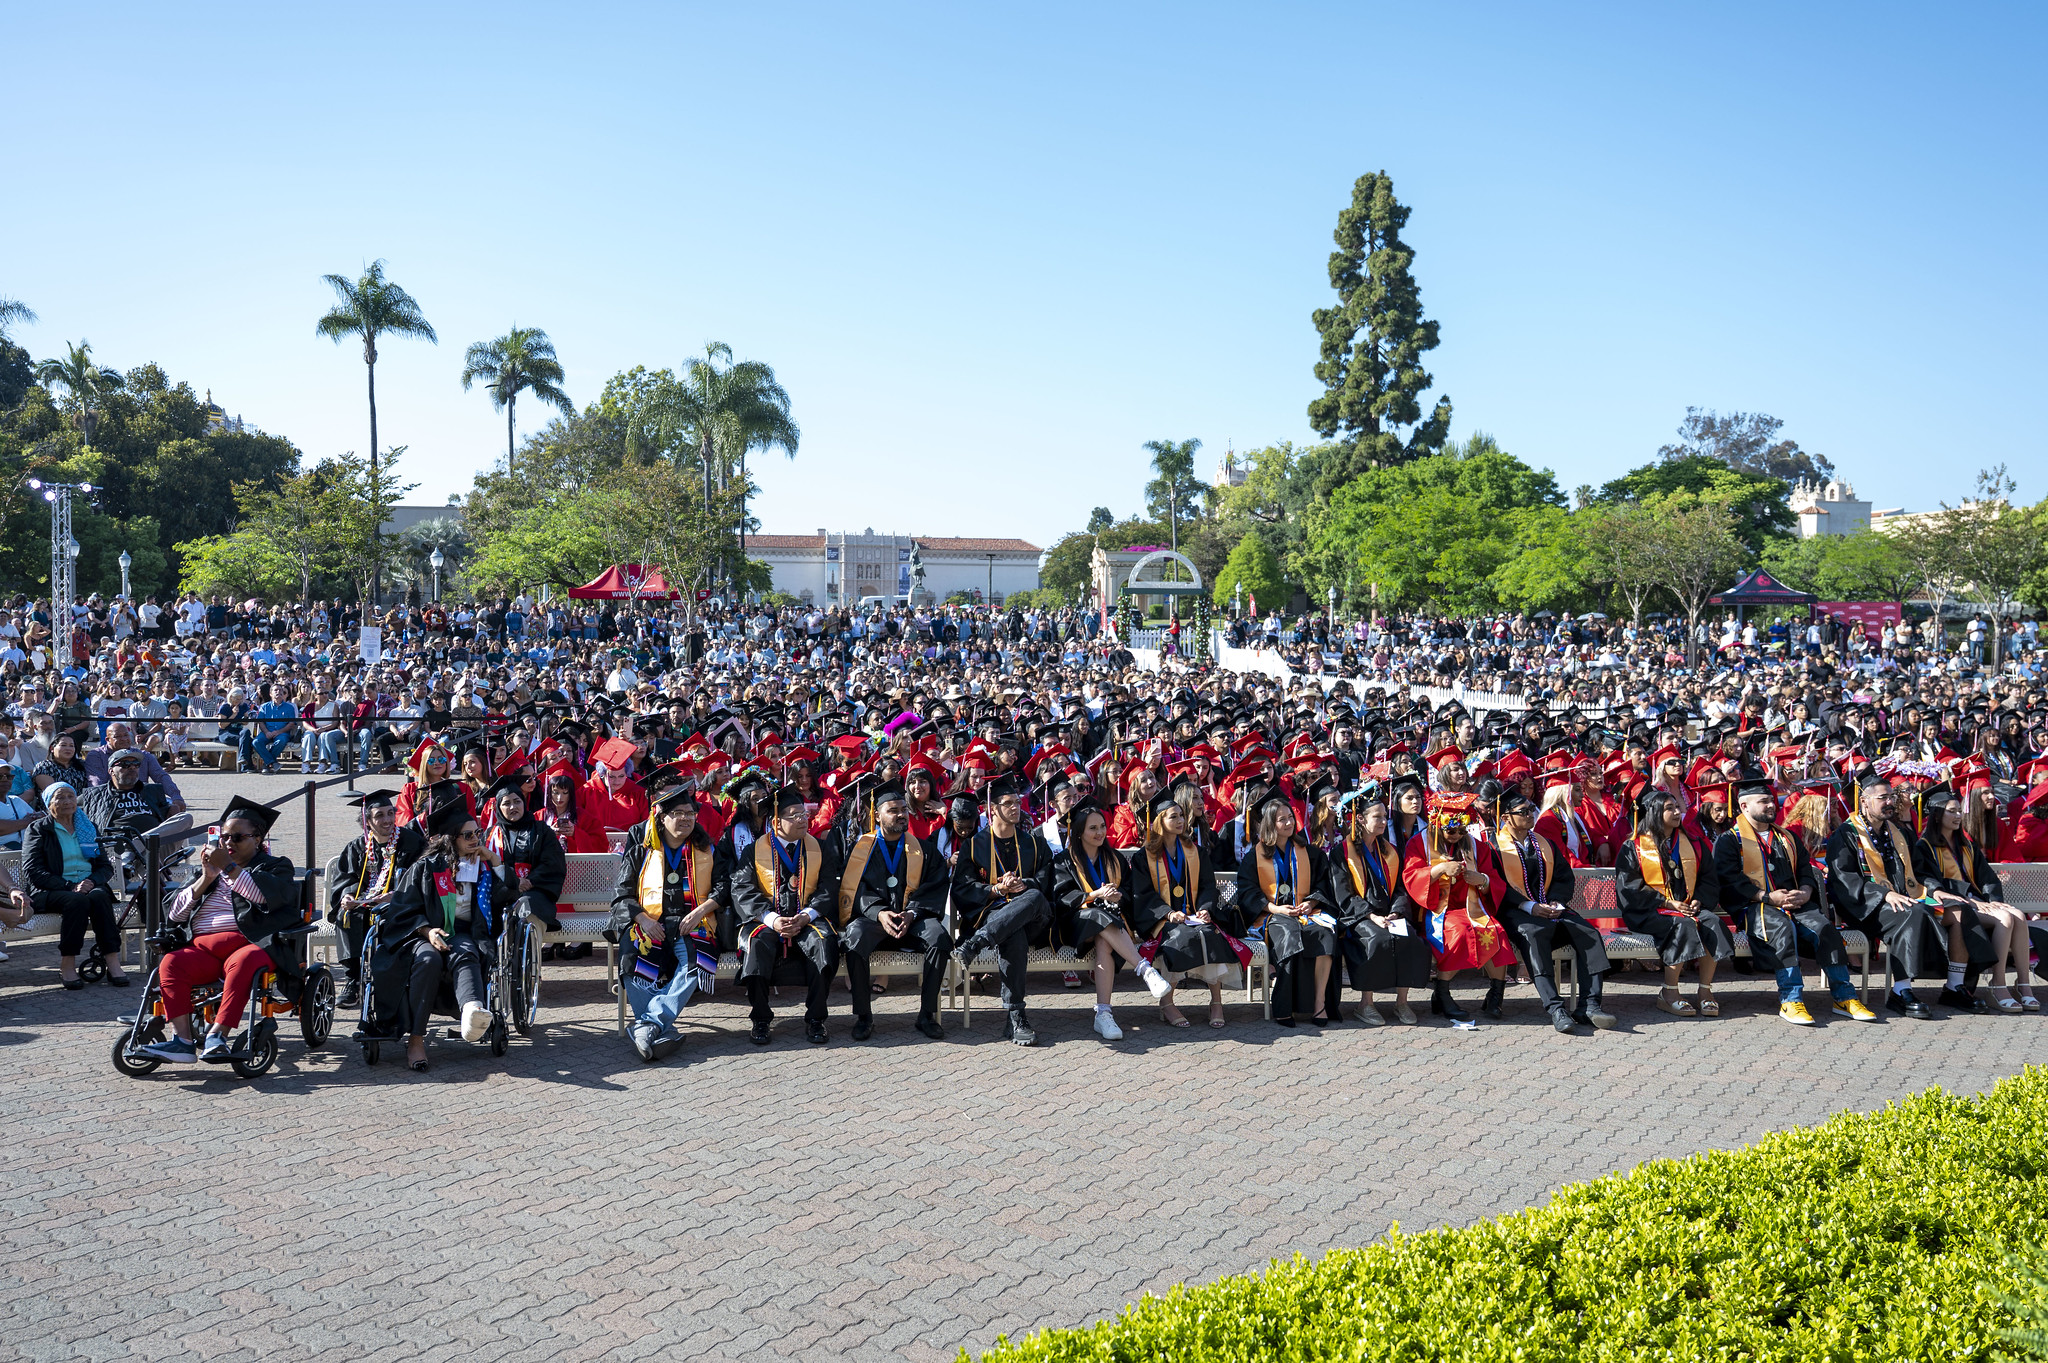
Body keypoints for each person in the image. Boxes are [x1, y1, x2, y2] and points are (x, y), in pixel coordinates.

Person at [135, 797, 299, 1063]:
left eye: (237, 837)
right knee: (171, 962)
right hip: (204, 950)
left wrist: (230, 868)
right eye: (224, 837)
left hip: (252, 943)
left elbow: (264, 897)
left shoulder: (275, 865)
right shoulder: (211, 869)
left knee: (244, 961)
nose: (229, 843)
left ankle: (217, 1036)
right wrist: (207, 877)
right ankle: (183, 1041)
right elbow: (175, 914)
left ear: (258, 839)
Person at [1827, 771, 1995, 1019]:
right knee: (1911, 912)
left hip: (1907, 899)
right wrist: (1884, 895)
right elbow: (1844, 878)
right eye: (1882, 798)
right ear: (1864, 801)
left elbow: (1921, 870)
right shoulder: (1846, 834)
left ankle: (1954, 986)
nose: (1889, 803)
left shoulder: (1899, 833)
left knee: (1960, 911)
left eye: (1891, 798)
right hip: (1865, 907)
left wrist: (1936, 890)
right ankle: (1901, 990)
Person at [1714, 775, 1865, 1026]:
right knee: (1781, 929)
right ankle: (1791, 999)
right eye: (1763, 802)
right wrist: (1766, 896)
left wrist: (1806, 891)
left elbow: (1805, 869)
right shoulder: (1730, 840)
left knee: (1825, 928)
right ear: (1744, 807)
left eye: (1772, 800)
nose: (1771, 805)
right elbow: (1728, 880)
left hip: (1795, 903)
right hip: (1755, 906)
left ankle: (1844, 997)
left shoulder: (1786, 837)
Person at [367, 800, 503, 1071]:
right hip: (421, 935)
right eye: (468, 835)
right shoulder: (427, 868)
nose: (475, 839)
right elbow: (402, 909)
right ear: (451, 839)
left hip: (463, 933)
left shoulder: (483, 867)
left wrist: (495, 861)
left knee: (466, 951)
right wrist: (428, 931)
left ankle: (472, 1012)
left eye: (478, 833)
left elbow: (507, 897)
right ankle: (416, 1040)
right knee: (428, 960)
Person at [609, 780, 728, 1061]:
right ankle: (662, 1028)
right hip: (651, 921)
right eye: (679, 814)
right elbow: (622, 893)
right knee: (631, 957)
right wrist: (643, 920)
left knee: (698, 958)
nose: (686, 819)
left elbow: (723, 887)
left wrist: (700, 911)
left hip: (692, 920)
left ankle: (646, 1026)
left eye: (690, 813)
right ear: (662, 817)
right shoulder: (643, 846)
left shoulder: (705, 846)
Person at [1486, 786, 1613, 1032]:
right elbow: (1497, 885)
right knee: (1534, 935)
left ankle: (1590, 1005)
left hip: (1552, 909)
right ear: (1506, 818)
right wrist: (1530, 906)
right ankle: (1556, 1008)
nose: (1530, 815)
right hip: (1516, 913)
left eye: (1531, 810)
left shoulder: (1544, 843)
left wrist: (1556, 902)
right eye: (1523, 812)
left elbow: (1564, 878)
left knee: (1589, 933)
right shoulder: (1493, 847)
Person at [836, 781, 951, 1040]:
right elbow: (854, 889)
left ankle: (926, 1015)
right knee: (854, 939)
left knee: (939, 938)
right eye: (892, 810)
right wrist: (879, 913)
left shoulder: (923, 849)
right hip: (875, 920)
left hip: (913, 918)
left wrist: (912, 912)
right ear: (877, 815)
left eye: (903, 809)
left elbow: (935, 884)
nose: (900, 814)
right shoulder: (861, 849)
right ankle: (864, 1016)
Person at [1049, 804, 1173, 1040]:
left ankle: (1103, 1014)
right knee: (1099, 918)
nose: (1100, 832)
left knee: (1104, 939)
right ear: (1078, 832)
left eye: (1102, 826)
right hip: (1075, 925)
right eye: (1092, 828)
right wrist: (1095, 895)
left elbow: (1129, 891)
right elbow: (1061, 897)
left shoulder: (1114, 857)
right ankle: (1144, 969)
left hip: (1110, 926)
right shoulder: (1065, 860)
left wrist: (1118, 896)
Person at [949, 777, 1058, 1045]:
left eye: (1017, 802)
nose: (1015, 807)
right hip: (996, 916)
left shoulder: (1034, 843)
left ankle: (976, 943)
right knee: (1012, 933)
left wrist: (1023, 884)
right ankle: (1016, 1016)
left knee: (1032, 896)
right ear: (992, 809)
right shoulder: (974, 846)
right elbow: (962, 889)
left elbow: (1047, 881)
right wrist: (996, 890)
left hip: (1036, 919)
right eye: (1008, 803)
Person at [730, 783, 841, 1045]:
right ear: (777, 822)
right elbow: (742, 890)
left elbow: (828, 887)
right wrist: (771, 918)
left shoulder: (818, 847)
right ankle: (760, 1019)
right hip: (767, 919)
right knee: (755, 944)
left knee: (824, 943)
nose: (804, 820)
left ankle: (816, 1018)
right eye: (796, 816)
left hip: (807, 918)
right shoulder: (754, 851)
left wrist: (808, 914)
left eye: (805, 814)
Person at [1125, 789, 1240, 1030]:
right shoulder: (1143, 858)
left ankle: (1216, 1002)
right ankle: (1167, 1003)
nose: (1180, 821)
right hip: (1162, 921)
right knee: (1178, 936)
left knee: (1208, 933)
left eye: (1181, 816)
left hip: (1193, 915)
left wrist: (1206, 909)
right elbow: (1142, 895)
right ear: (1159, 822)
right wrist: (1168, 913)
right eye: (1173, 817)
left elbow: (1209, 886)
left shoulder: (1195, 852)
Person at [1615, 789, 1735, 1018]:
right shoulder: (1633, 847)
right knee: (1683, 926)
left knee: (1712, 923)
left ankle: (1705, 991)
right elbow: (1629, 887)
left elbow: (1709, 879)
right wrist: (1668, 904)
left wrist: (1700, 899)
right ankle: (1669, 993)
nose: (1677, 812)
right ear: (1654, 812)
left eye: (1677, 807)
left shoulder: (1694, 843)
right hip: (1648, 912)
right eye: (1669, 808)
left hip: (1688, 908)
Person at [1918, 787, 2034, 1011]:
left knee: (2018, 915)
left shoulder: (1966, 845)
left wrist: (1992, 899)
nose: (1959, 816)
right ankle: (1997, 985)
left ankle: (2024, 985)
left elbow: (1987, 878)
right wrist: (1970, 900)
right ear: (1937, 815)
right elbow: (1930, 883)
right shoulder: (1925, 847)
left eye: (1960, 811)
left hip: (1973, 902)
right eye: (1952, 811)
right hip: (1947, 906)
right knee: (2005, 919)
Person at [1236, 791, 1339, 1027]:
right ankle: (1283, 1006)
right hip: (1273, 916)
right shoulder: (1255, 857)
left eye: (1290, 817)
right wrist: (1275, 909)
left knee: (1325, 935)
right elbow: (1247, 892)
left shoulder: (1309, 852)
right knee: (1288, 935)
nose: (1289, 822)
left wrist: (1311, 902)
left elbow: (1323, 882)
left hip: (1306, 913)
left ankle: (1319, 1004)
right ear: (1271, 824)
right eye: (1282, 819)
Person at [1329, 790, 1430, 1026]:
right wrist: (1371, 915)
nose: (1384, 821)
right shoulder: (1341, 853)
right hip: (1359, 916)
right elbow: (1343, 894)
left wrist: (1397, 911)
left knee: (1410, 938)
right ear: (1361, 819)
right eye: (1378, 817)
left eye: (1385, 816)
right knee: (1377, 940)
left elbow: (1401, 889)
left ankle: (1402, 1002)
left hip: (1389, 913)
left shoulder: (1390, 851)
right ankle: (1366, 1004)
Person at [328, 790, 427, 1007]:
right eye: (379, 815)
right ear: (367, 822)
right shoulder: (358, 847)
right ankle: (353, 979)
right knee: (347, 914)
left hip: (399, 904)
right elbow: (345, 877)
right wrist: (347, 895)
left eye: (391, 813)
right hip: (365, 903)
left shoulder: (411, 842)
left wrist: (397, 896)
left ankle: (393, 980)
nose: (387, 820)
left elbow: (421, 878)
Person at [22, 781, 125, 989]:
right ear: (49, 802)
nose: (68, 801)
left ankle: (112, 960)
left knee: (99, 896)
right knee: (76, 900)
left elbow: (105, 867)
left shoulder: (87, 826)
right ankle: (67, 964)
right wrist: (70, 885)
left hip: (88, 886)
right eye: (60, 797)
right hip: (51, 890)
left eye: (71, 796)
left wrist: (91, 881)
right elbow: (33, 870)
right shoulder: (39, 829)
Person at [79, 747, 173, 844]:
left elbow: (165, 812)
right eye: (125, 764)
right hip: (121, 846)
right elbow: (70, 805)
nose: (132, 767)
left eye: (136, 764)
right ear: (111, 770)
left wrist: (173, 806)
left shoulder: (152, 790)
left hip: (157, 843)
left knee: (185, 818)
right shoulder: (95, 795)